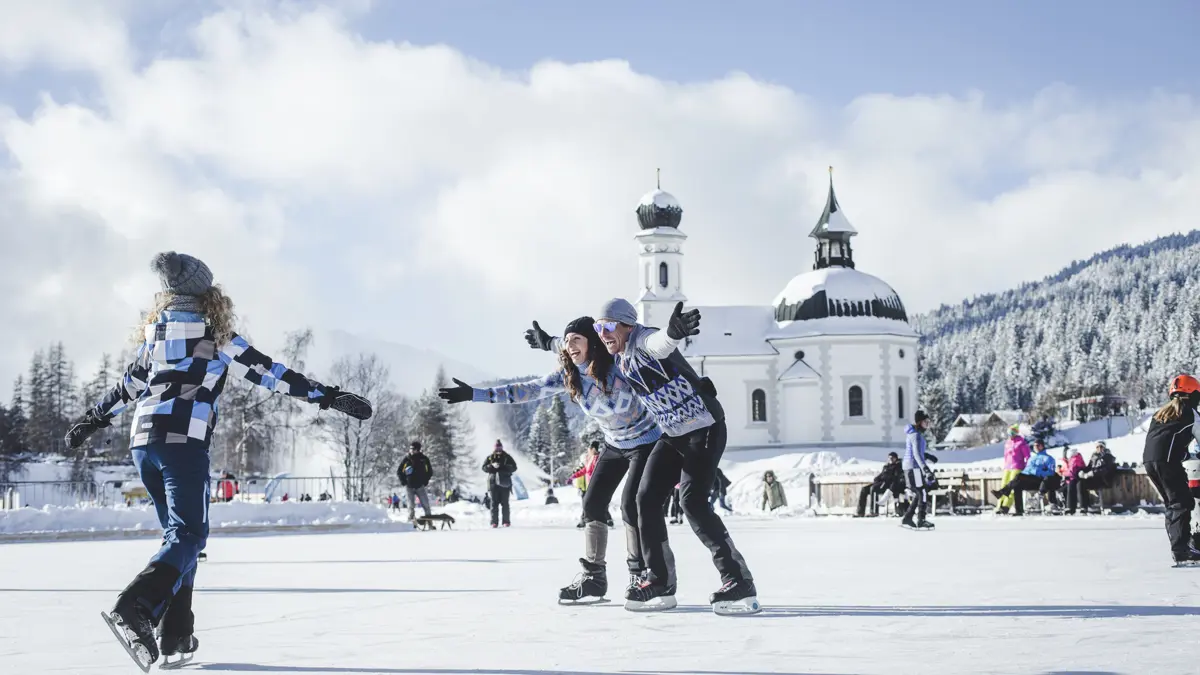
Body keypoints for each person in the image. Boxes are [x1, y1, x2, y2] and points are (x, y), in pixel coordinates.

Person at [64, 251, 372, 670]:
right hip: (182, 443)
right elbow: (271, 373)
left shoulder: (154, 339)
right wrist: (329, 396)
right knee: (190, 535)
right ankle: (137, 606)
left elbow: (126, 388)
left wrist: (91, 420)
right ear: (206, 292)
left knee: (179, 538)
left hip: (143, 444)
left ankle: (176, 634)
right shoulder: (214, 336)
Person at [527, 299, 758, 615]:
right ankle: (659, 580)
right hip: (673, 433)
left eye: (609, 327)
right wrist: (548, 343)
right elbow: (573, 344)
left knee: (692, 502)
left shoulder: (642, 341)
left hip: (703, 426)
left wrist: (673, 333)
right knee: (644, 500)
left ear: (627, 325)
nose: (603, 334)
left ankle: (738, 580)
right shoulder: (612, 350)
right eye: (598, 329)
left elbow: (659, 343)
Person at [441, 316, 661, 603]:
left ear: (593, 343)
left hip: (646, 441)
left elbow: (654, 361)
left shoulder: (617, 364)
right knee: (592, 504)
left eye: (576, 340)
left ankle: (639, 574)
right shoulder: (568, 374)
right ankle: (594, 578)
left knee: (631, 505)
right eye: (567, 342)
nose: (570, 346)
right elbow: (525, 390)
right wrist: (475, 394)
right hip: (615, 444)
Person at [1142, 375, 1200, 565]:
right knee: (1182, 502)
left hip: (1150, 462)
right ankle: (1182, 550)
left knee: (1173, 504)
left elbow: (1165, 440)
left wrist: (1185, 454)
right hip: (1167, 462)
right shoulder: (1190, 413)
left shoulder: (1160, 413)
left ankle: (1181, 547)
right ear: (1193, 394)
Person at [991, 440, 1061, 514]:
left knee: (1019, 477)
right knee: (1017, 485)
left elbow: (1051, 473)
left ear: (1042, 446)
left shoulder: (1048, 458)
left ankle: (1002, 492)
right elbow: (1026, 470)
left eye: (1038, 445)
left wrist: (1037, 471)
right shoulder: (1032, 458)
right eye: (1034, 446)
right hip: (1030, 479)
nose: (1036, 447)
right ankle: (1019, 511)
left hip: (1041, 481)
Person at [901, 411, 936, 530]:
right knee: (922, 492)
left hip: (911, 466)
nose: (928, 424)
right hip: (913, 467)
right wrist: (926, 469)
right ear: (920, 422)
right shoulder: (916, 435)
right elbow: (916, 454)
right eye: (926, 421)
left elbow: (916, 452)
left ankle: (908, 518)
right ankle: (921, 520)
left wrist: (927, 456)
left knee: (919, 493)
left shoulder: (913, 434)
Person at [481, 440, 518, 527]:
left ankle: (506, 521)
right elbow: (483, 468)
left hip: (504, 482)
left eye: (500, 448)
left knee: (505, 503)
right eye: (497, 448)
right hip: (493, 483)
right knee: (494, 503)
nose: (498, 450)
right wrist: (491, 466)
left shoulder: (507, 457)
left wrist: (503, 467)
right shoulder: (490, 458)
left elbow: (514, 467)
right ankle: (494, 522)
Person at [855, 452, 905, 517]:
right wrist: (876, 479)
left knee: (873, 489)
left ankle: (874, 511)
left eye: (892, 458)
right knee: (864, 489)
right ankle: (860, 512)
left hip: (888, 486)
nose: (891, 459)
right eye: (889, 458)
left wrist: (885, 479)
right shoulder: (886, 467)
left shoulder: (897, 467)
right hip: (880, 483)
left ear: (896, 459)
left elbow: (894, 478)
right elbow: (881, 475)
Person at [996, 425, 1030, 515]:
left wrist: (1026, 468)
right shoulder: (1007, 443)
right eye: (1009, 433)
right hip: (1007, 467)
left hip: (1017, 466)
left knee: (1012, 487)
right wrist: (1005, 465)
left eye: (1012, 433)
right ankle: (999, 506)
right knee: (1003, 486)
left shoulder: (1021, 442)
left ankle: (1006, 506)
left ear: (1016, 433)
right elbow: (1005, 456)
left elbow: (1027, 456)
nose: (1010, 435)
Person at [398, 441, 434, 522]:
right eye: (410, 449)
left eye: (413, 449)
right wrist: (403, 481)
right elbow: (399, 471)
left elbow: (430, 472)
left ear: (418, 450)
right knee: (410, 505)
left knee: (426, 504)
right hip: (409, 487)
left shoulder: (424, 459)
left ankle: (429, 521)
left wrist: (425, 481)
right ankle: (411, 521)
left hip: (420, 486)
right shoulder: (407, 459)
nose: (411, 451)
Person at [1075, 441, 1118, 511]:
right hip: (1094, 479)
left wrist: (1093, 473)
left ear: (1104, 447)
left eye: (1101, 447)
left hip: (1103, 480)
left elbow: (1105, 469)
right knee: (1080, 483)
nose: (1099, 448)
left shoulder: (1108, 456)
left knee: (1083, 483)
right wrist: (1082, 471)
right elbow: (1089, 467)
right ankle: (1084, 506)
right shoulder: (1094, 456)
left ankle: (1087, 505)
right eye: (1097, 447)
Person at [570, 443, 601, 528]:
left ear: (593, 449)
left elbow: (594, 471)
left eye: (589, 449)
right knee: (588, 504)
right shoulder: (590, 458)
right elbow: (585, 470)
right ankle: (587, 521)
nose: (588, 451)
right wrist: (574, 476)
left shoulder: (597, 459)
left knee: (589, 504)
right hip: (589, 486)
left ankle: (591, 521)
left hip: (594, 485)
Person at [1059, 447, 1086, 514]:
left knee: (1073, 488)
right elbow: (1067, 470)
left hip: (1077, 477)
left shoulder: (1075, 459)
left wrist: (1063, 474)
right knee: (1067, 488)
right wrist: (1060, 471)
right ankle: (1069, 507)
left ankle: (1074, 507)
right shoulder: (1069, 460)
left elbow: (1072, 471)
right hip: (1071, 478)